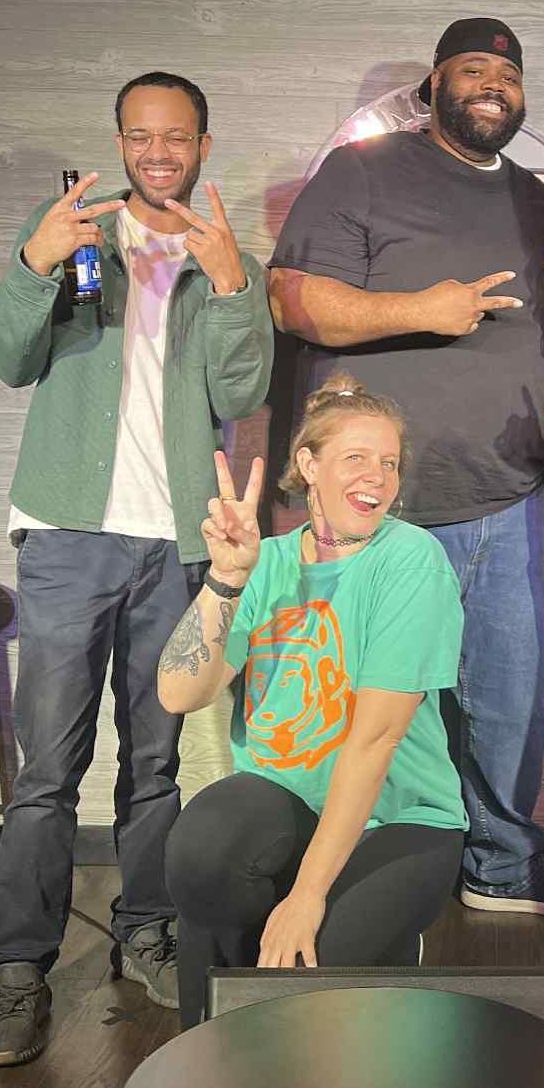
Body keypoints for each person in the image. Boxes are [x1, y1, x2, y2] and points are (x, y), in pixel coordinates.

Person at [268, 18, 544, 921]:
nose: (491, 83)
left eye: (506, 72)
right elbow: (295, 300)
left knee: (508, 700)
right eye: (472, 68)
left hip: (507, 497)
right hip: (381, 509)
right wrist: (420, 310)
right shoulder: (365, 171)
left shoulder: (541, 202)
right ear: (434, 83)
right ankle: (337, 877)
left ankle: (499, 869)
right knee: (353, 701)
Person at [0, 71, 273, 1067]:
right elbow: (11, 358)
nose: (156, 151)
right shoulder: (71, 232)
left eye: (174, 136)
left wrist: (232, 285)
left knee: (154, 765)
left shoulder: (224, 256)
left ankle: (146, 931)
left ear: (202, 144)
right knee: (47, 770)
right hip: (67, 535)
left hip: (175, 544)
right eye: (139, 135)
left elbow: (244, 384)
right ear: (120, 140)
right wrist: (31, 259)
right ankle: (20, 970)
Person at [158, 379, 467, 1027]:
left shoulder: (411, 560)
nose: (377, 477)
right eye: (356, 457)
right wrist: (227, 580)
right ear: (309, 465)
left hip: (399, 821)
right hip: (284, 801)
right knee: (202, 858)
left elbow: (374, 740)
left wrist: (306, 894)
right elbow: (179, 691)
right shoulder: (264, 561)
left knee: (308, 969)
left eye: (388, 462)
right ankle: (206, 1066)